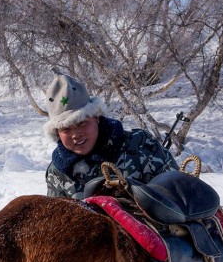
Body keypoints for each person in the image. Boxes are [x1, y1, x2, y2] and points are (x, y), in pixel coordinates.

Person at [44, 71, 179, 199]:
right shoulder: (57, 172)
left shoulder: (141, 146)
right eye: (66, 129)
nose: (75, 135)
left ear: (96, 117)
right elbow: (56, 219)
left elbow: (178, 194)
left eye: (81, 123)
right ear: (57, 132)